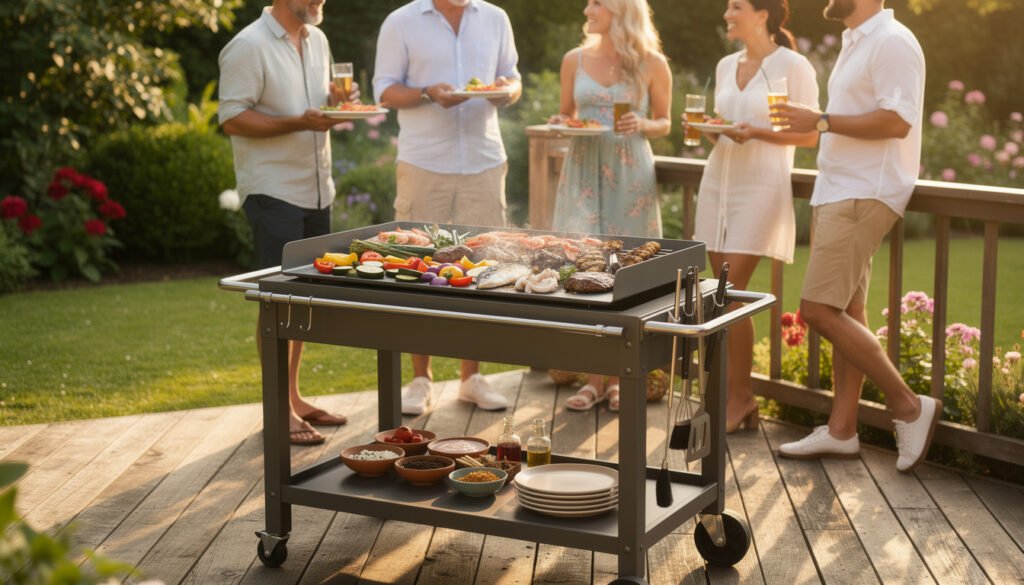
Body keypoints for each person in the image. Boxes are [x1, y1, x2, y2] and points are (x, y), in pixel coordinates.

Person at [770, 0, 937, 471]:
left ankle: (908, 405)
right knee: (847, 310)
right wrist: (821, 121)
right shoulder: (858, 41)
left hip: (864, 192)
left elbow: (896, 121)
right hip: (840, 189)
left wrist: (820, 120)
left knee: (818, 310)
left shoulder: (892, 42)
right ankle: (842, 430)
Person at [373, 0, 522, 415]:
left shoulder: (495, 18)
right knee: (417, 268)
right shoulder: (401, 21)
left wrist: (506, 90)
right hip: (424, 163)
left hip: (484, 161)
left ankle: (471, 377)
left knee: (483, 269)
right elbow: (384, 90)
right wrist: (427, 93)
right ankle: (421, 378)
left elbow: (513, 78)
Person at [218, 0, 352, 445]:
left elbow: (317, 108)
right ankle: (276, 410)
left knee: (303, 301)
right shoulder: (248, 45)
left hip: (317, 189)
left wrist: (338, 105)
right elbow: (232, 119)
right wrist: (299, 122)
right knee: (277, 302)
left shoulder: (318, 40)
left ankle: (292, 397)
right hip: (273, 191)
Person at [687, 0, 819, 432]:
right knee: (720, 295)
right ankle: (733, 396)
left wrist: (757, 132)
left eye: (736, 6)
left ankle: (739, 397)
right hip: (718, 184)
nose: (727, 14)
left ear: (762, 14)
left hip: (761, 185)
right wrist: (711, 128)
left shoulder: (793, 66)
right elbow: (727, 127)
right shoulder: (727, 65)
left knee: (728, 293)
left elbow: (810, 135)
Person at [548, 0, 673, 413]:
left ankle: (621, 378)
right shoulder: (574, 59)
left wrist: (643, 124)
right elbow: (565, 114)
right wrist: (559, 122)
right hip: (582, 168)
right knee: (582, 267)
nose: (587, 8)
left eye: (597, 2)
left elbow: (665, 121)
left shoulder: (653, 63)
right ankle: (593, 378)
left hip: (629, 171)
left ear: (621, 9)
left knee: (628, 272)